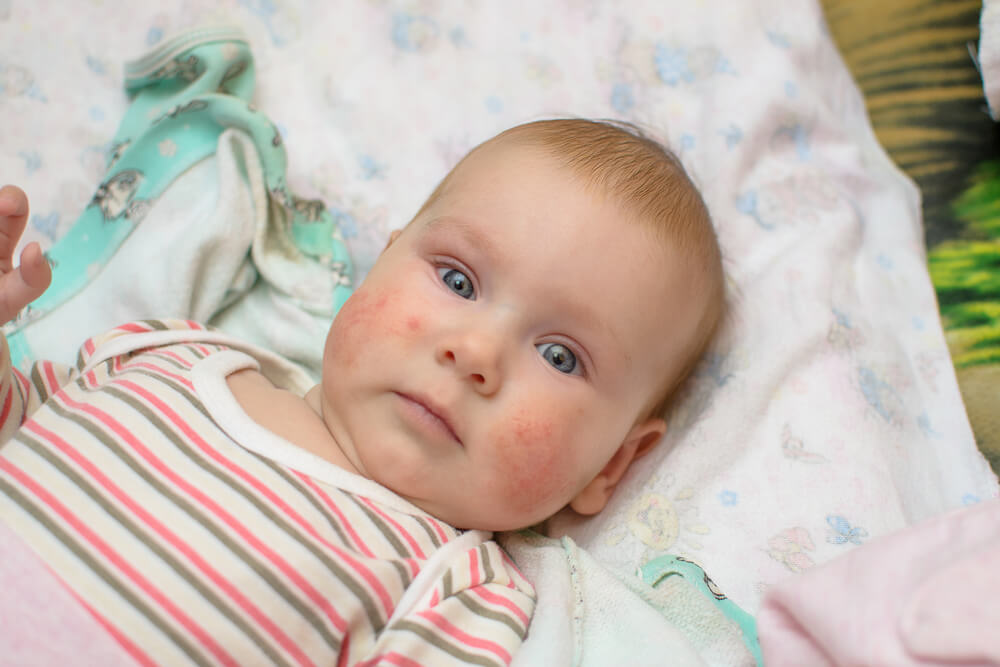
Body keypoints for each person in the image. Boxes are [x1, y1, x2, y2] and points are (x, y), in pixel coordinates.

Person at [0, 118, 725, 665]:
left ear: (612, 466)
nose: (475, 353)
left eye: (561, 355)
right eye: (457, 280)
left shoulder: (458, 595)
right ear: (381, 261)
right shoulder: (170, 350)